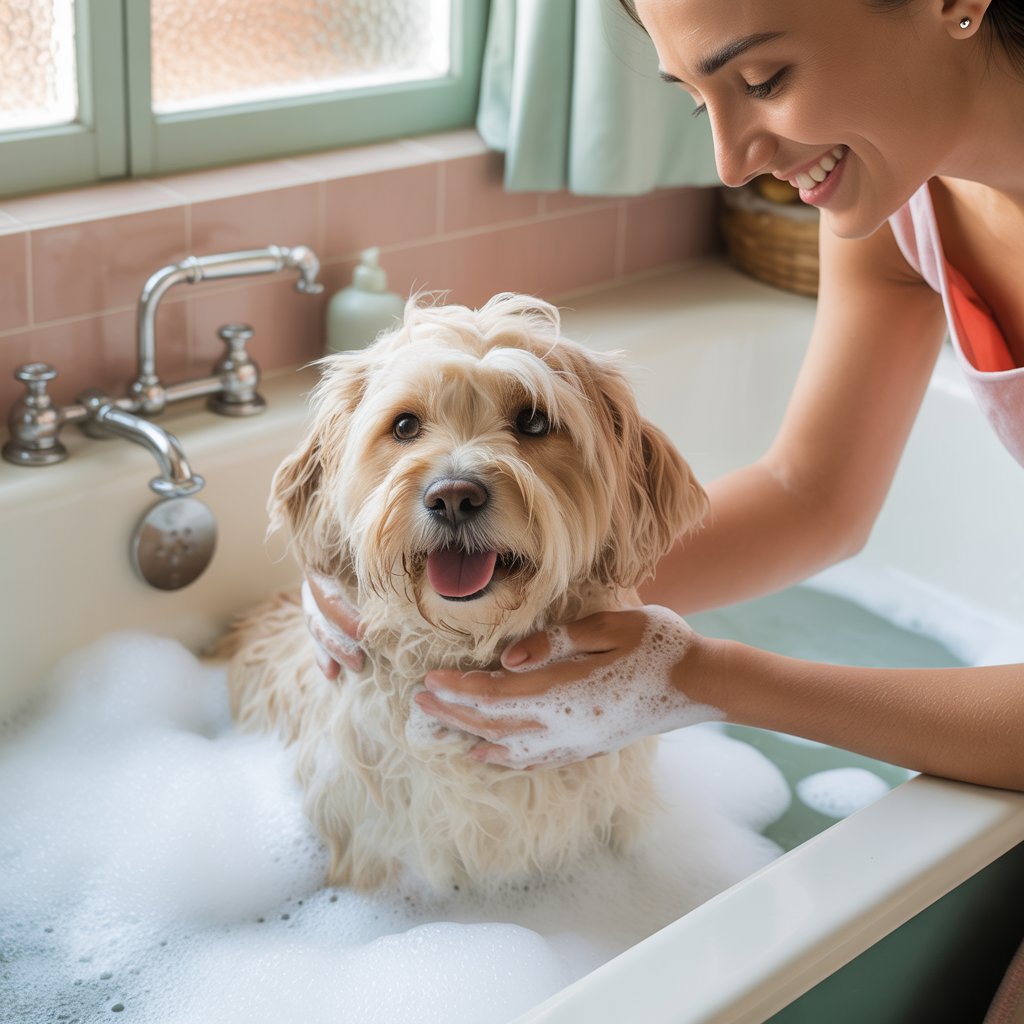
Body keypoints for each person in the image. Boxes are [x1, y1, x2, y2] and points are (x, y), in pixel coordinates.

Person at [305, 0, 1024, 793]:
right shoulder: (899, 199)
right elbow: (811, 495)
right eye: (696, 100)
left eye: (764, 78)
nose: (732, 159)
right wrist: (400, 574)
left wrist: (708, 679)